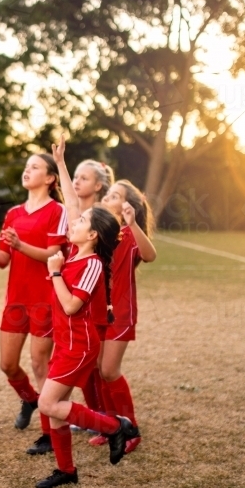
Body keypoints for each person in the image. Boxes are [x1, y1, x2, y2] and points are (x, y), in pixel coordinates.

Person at [0, 154, 68, 456]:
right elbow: (2, 261)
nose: (27, 170)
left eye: (35, 167)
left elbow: (54, 254)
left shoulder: (57, 211)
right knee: (7, 365)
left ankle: (49, 435)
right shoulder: (12, 213)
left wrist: (21, 245)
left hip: (46, 300)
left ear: (51, 178)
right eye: (26, 166)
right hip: (16, 301)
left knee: (40, 364)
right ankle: (29, 399)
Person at [36, 202, 138, 488]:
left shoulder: (92, 263)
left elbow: (71, 306)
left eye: (81, 220)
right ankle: (66, 470)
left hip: (78, 348)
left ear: (92, 234)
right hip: (65, 344)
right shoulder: (71, 257)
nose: (74, 222)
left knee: (48, 404)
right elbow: (71, 203)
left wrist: (55, 273)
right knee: (56, 410)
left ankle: (116, 426)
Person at [88, 178, 157, 451]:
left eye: (114, 196)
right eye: (108, 194)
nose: (106, 198)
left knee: (109, 369)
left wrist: (132, 223)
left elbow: (150, 255)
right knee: (98, 369)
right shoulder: (96, 232)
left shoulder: (129, 234)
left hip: (121, 313)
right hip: (95, 312)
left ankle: (132, 429)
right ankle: (110, 426)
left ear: (128, 205)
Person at [64, 157, 115, 421]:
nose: (77, 181)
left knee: (98, 365)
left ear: (98, 185)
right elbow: (71, 202)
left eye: (83, 178)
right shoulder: (77, 217)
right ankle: (96, 417)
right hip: (74, 292)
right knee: (84, 365)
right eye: (75, 176)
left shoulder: (100, 217)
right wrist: (62, 161)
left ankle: (110, 418)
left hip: (92, 296)